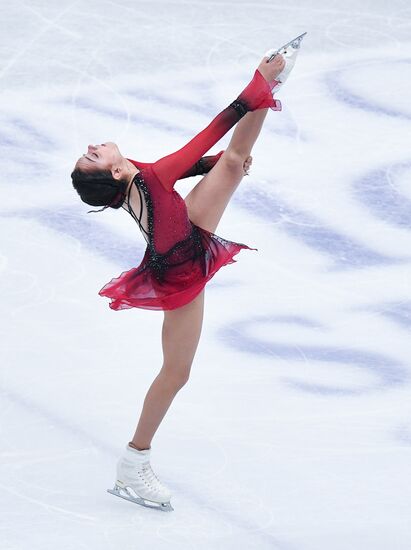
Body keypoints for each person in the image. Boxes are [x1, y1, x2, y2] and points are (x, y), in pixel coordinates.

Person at [71, 52, 286, 511]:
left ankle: (270, 96)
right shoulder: (146, 175)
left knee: (230, 164)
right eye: (93, 155)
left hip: (186, 234)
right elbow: (208, 133)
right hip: (180, 272)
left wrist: (214, 162)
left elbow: (195, 165)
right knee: (177, 372)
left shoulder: (136, 177)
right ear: (113, 172)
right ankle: (134, 461)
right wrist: (253, 88)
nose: (95, 145)